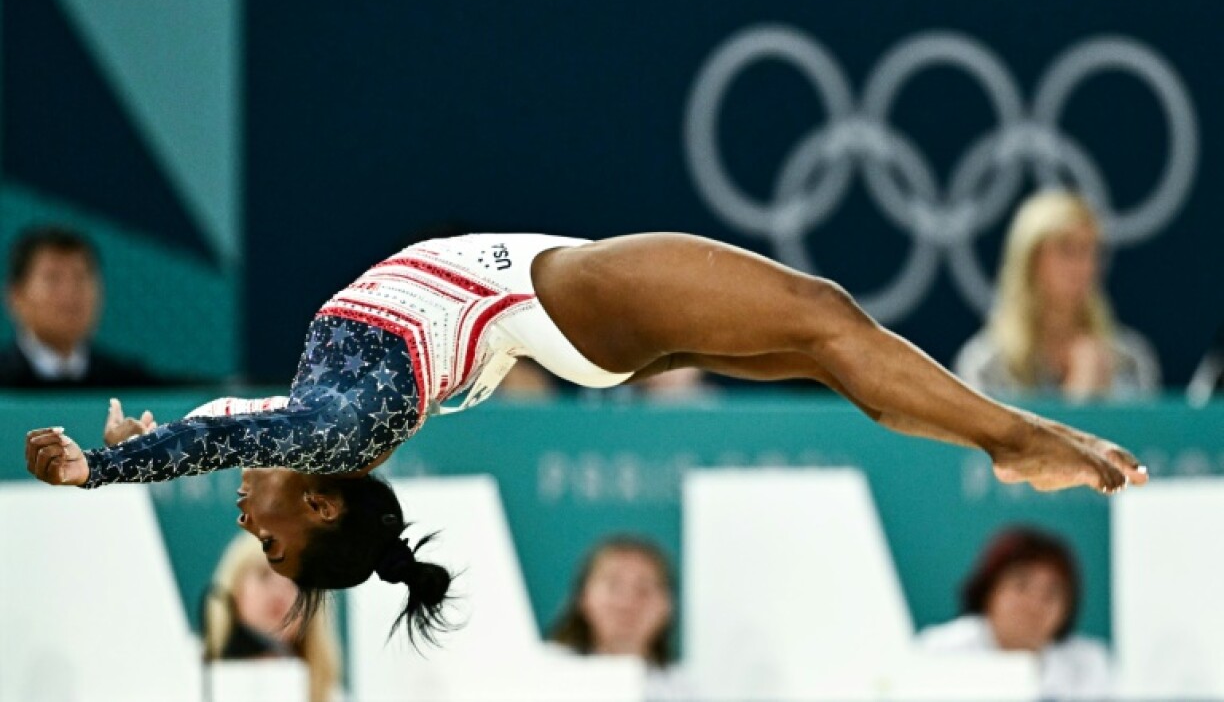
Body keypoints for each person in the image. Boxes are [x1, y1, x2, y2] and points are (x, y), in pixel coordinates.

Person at [23, 232, 1148, 643]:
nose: (248, 530)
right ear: (321, 502)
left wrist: (131, 439)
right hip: (557, 300)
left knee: (821, 342)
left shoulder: (306, 437)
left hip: (562, 325)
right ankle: (1012, 434)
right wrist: (108, 464)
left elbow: (226, 431)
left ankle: (1004, 434)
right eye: (271, 547)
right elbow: (242, 439)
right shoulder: (341, 427)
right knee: (822, 319)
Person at [954, 192, 1160, 401]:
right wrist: (1080, 392)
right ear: (1030, 260)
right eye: (1067, 250)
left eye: (1091, 252)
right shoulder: (985, 365)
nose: (1084, 267)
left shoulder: (1130, 361)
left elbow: (1144, 433)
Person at [916, 526, 1113, 700]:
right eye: (1021, 586)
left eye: (1051, 593)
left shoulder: (1089, 665)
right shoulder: (935, 653)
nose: (1034, 604)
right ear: (989, 592)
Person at [0, 225, 166, 388]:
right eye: (53, 279)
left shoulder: (129, 386)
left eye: (80, 277)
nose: (69, 293)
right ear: (16, 296)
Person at [551, 536, 695, 701]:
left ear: (667, 606)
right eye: (613, 586)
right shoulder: (544, 674)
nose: (627, 602)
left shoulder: (686, 690)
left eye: (644, 589)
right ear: (584, 597)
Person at [204, 533, 342, 702]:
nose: (279, 590)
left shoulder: (334, 695)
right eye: (264, 575)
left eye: (295, 580)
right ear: (233, 588)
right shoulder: (190, 672)